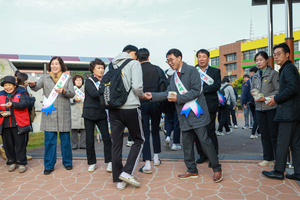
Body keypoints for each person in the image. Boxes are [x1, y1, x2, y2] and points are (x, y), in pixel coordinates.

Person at [144, 48, 223, 183]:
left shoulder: (192, 70)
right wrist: (153, 95)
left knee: (205, 140)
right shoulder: (174, 77)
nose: (169, 63)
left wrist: (178, 99)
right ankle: (191, 169)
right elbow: (168, 93)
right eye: (167, 60)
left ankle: (217, 168)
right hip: (184, 115)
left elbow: (196, 91)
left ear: (179, 58)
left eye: (171, 59)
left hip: (196, 113)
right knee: (186, 143)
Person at [105, 45, 145, 190]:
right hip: (130, 108)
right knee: (139, 140)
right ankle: (127, 172)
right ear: (134, 53)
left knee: (116, 143)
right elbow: (137, 87)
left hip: (113, 109)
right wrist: (141, 95)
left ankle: (118, 178)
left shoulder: (110, 65)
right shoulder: (134, 64)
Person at [29, 57, 75, 175]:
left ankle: (68, 162)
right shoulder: (45, 77)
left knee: (66, 141)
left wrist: (64, 91)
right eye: (52, 64)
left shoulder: (67, 78)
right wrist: (32, 84)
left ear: (61, 65)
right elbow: (36, 87)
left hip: (63, 114)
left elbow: (72, 93)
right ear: (50, 66)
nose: (54, 66)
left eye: (57, 64)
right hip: (49, 113)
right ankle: (49, 165)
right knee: (49, 141)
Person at [262, 43, 300, 181]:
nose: (276, 56)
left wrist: (276, 99)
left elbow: (292, 88)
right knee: (295, 143)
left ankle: (278, 171)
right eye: (275, 54)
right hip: (294, 112)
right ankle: (298, 172)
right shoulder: (289, 68)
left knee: (282, 142)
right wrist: (276, 97)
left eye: (279, 53)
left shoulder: (288, 68)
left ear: (288, 54)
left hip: (288, 113)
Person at [82, 58, 112, 172]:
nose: (101, 70)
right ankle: (92, 162)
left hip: (101, 113)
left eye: (102, 68)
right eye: (98, 68)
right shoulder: (89, 80)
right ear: (93, 69)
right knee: (89, 140)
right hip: (89, 113)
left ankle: (109, 161)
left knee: (107, 138)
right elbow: (94, 93)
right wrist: (105, 88)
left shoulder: (105, 80)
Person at [193, 49, 221, 166]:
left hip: (210, 105)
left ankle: (213, 156)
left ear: (208, 58)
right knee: (198, 131)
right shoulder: (194, 71)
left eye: (204, 56)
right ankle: (202, 155)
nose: (201, 59)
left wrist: (201, 90)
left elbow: (216, 86)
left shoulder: (215, 71)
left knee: (210, 131)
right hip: (196, 105)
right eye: (199, 56)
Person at [251, 51, 279, 167]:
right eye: (257, 60)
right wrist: (254, 94)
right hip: (259, 108)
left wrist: (266, 98)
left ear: (267, 60)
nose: (259, 62)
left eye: (261, 59)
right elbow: (252, 89)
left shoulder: (273, 74)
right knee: (264, 134)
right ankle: (268, 158)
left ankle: (279, 159)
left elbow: (278, 90)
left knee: (274, 134)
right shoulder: (255, 76)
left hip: (271, 107)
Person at [137, 48, 163, 174]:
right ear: (148, 56)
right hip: (156, 102)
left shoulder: (136, 70)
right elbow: (164, 85)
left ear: (137, 58)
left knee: (145, 133)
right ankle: (156, 158)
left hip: (142, 104)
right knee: (156, 130)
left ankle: (147, 163)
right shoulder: (157, 69)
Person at [0, 76, 31, 173]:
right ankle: (12, 162)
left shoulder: (21, 93)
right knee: (7, 144)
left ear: (14, 85)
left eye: (9, 85)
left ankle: (22, 163)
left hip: (18, 123)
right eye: (5, 85)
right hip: (4, 124)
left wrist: (13, 104)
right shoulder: (0, 94)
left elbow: (25, 104)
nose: (7, 87)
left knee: (20, 144)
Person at [17, 73, 36, 160]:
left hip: (18, 118)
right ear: (25, 81)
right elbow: (27, 104)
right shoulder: (23, 90)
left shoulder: (16, 89)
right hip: (24, 117)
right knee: (24, 138)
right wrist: (32, 99)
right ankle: (22, 156)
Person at [164, 67, 181, 150]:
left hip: (168, 100)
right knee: (177, 123)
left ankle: (167, 136)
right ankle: (175, 143)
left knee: (169, 121)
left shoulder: (166, 73)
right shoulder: (178, 74)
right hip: (177, 100)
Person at [242, 67, 260, 138]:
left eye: (250, 72)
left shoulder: (249, 81)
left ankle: (258, 132)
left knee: (256, 116)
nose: (250, 74)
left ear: (253, 72)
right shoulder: (260, 79)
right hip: (259, 100)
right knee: (257, 117)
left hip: (251, 101)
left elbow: (245, 92)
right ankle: (254, 133)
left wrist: (244, 102)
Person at [70, 75, 86, 150]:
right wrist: (74, 100)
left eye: (80, 80)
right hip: (74, 111)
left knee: (84, 129)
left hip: (83, 110)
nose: (79, 81)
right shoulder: (72, 89)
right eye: (77, 80)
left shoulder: (85, 89)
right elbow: (68, 99)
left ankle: (83, 144)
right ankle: (74, 144)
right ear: (74, 81)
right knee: (74, 130)